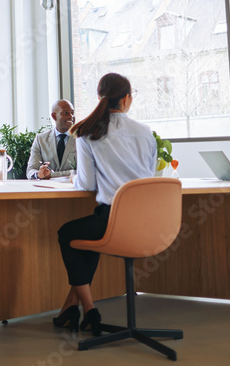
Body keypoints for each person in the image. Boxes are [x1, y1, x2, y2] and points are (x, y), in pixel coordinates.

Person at [53, 74, 155, 335]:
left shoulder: (87, 133)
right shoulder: (146, 132)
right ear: (127, 98)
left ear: (99, 99)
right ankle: (69, 308)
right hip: (148, 223)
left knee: (69, 234)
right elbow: (148, 180)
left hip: (112, 222)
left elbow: (86, 185)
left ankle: (89, 309)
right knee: (89, 237)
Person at [27, 99, 76, 180]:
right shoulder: (40, 139)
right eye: (66, 113)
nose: (71, 116)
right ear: (54, 116)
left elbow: (83, 171)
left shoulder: (82, 139)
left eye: (72, 113)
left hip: (72, 189)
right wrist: (39, 174)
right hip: (47, 190)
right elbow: (31, 170)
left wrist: (51, 175)